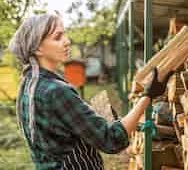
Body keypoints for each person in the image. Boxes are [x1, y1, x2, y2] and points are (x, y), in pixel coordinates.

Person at [8, 12, 170, 170]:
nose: (67, 41)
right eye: (57, 37)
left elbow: (61, 131)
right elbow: (111, 140)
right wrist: (148, 95)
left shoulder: (28, 84)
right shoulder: (56, 91)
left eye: (65, 34)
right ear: (37, 49)